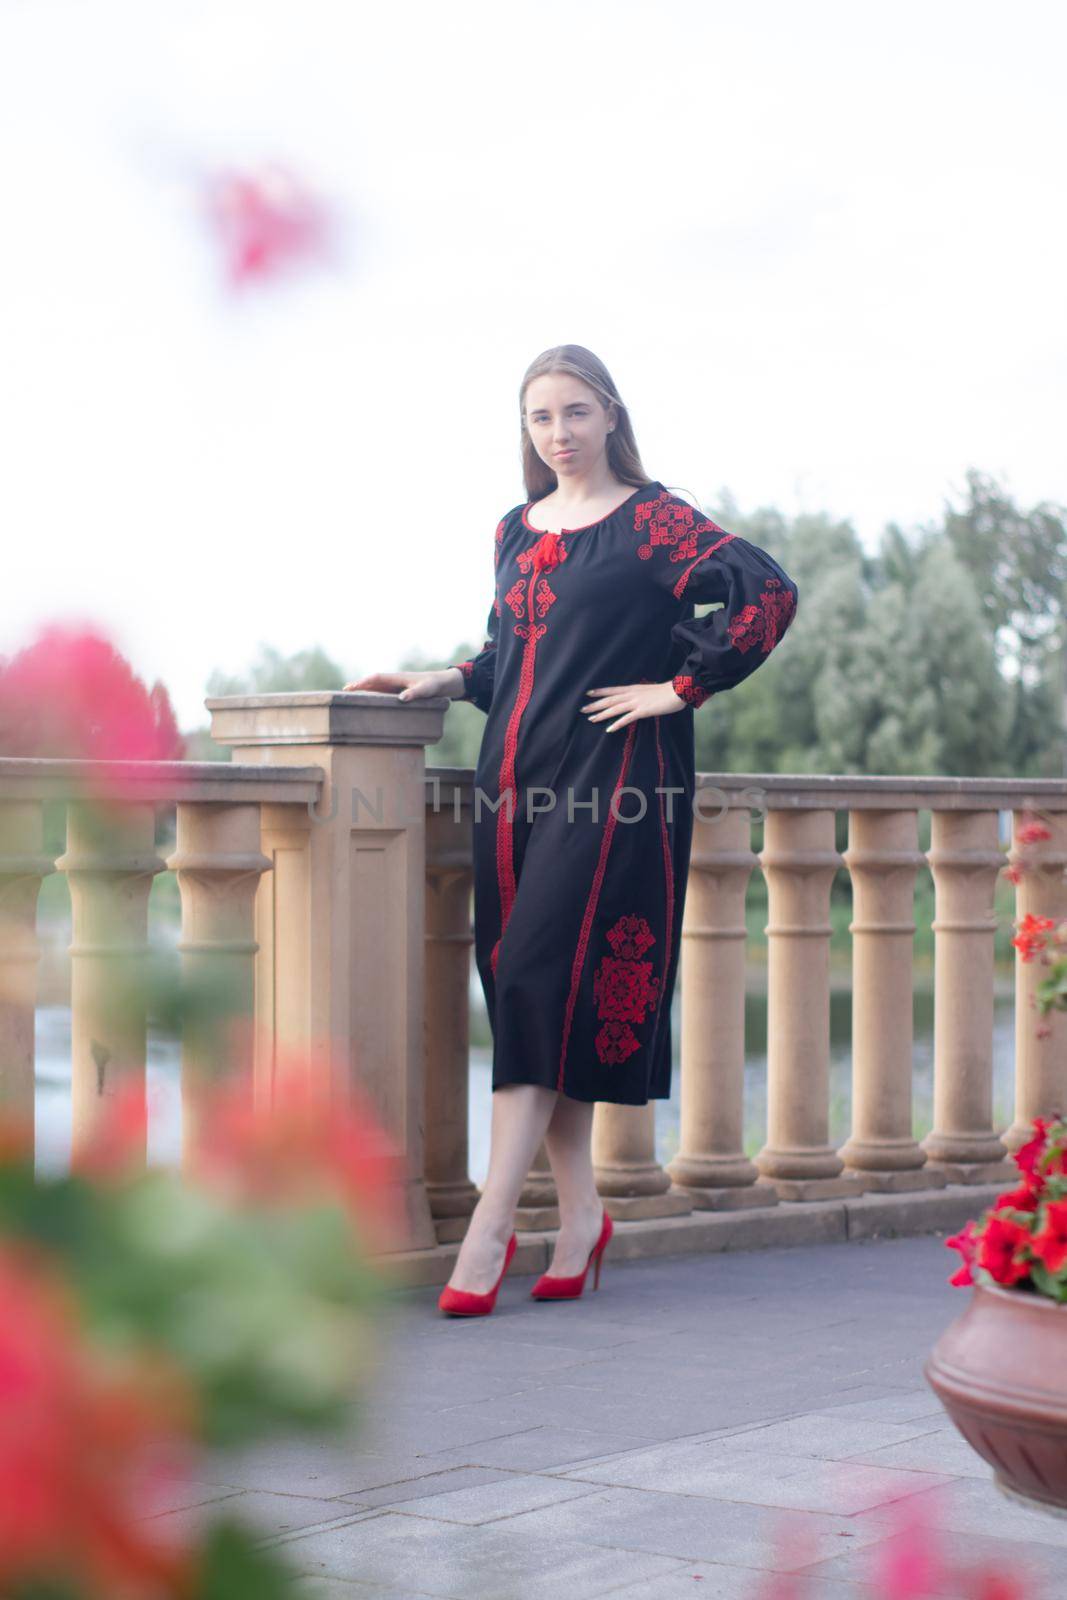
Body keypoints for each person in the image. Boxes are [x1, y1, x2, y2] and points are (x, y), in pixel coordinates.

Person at [345, 344, 798, 1315]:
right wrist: (441, 681)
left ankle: (489, 1228)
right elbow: (509, 652)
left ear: (610, 416)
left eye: (574, 413)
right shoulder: (514, 528)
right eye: (540, 417)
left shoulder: (652, 519)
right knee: (533, 994)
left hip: (616, 782)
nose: (557, 433)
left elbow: (766, 593)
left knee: (535, 981)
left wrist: (679, 688)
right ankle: (582, 1216)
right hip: (512, 785)